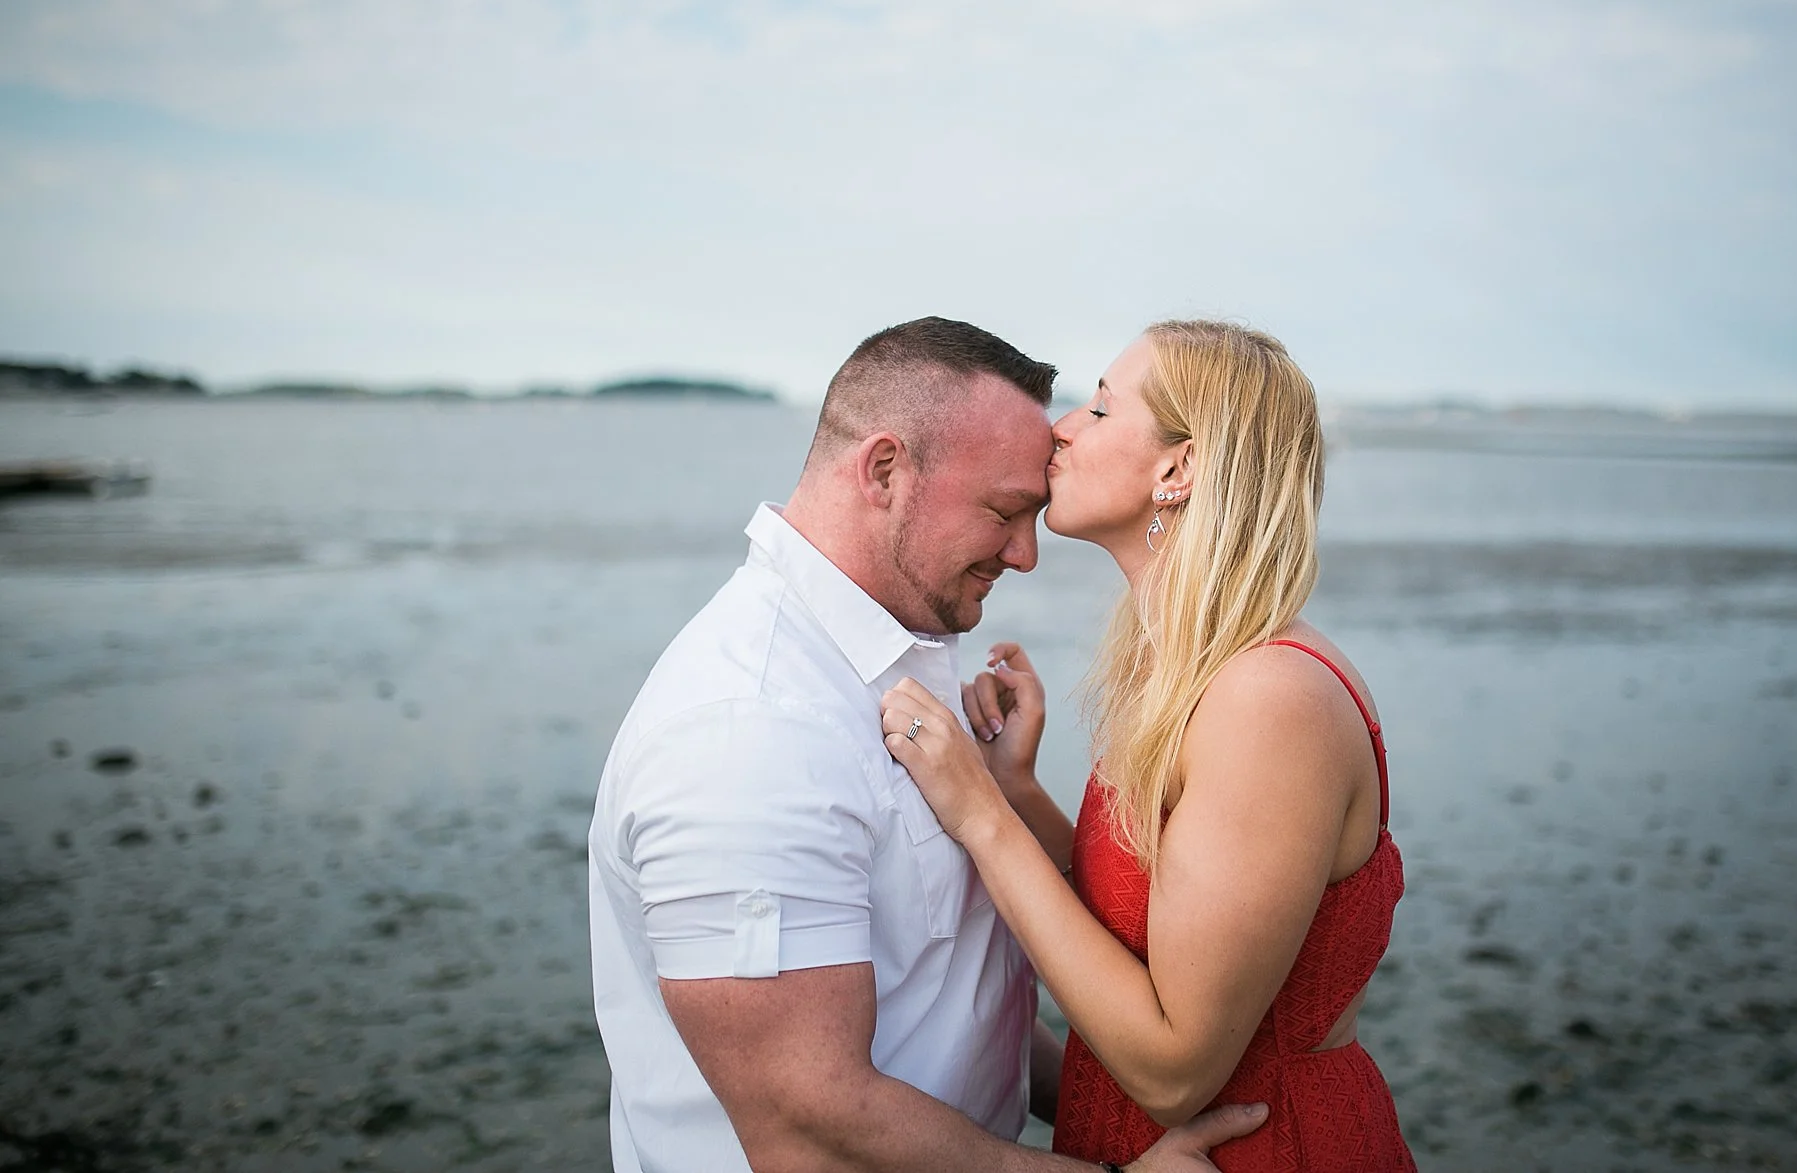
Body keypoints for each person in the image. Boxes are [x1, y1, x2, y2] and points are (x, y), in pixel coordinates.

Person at [587, 316, 1267, 1173]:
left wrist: (1115, 1111)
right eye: (1004, 512)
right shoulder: (751, 730)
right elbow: (809, 1130)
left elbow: (960, 998)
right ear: (883, 470)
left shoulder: (898, 652)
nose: (1026, 554)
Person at [880, 319, 1418, 1171]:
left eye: (1098, 408)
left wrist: (979, 813)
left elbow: (1174, 1069)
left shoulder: (1267, 701)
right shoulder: (1188, 667)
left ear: (1179, 468)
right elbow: (1148, 929)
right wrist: (1017, 789)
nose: (1059, 426)